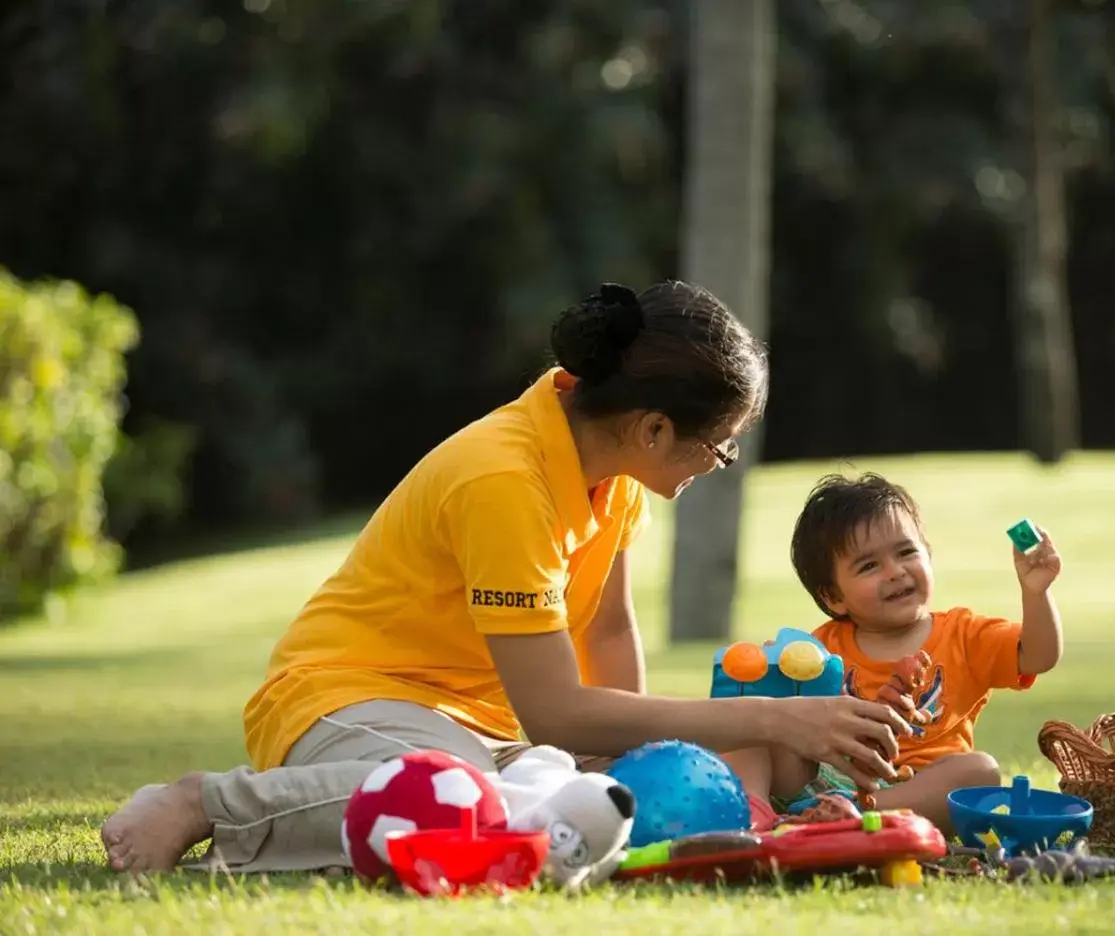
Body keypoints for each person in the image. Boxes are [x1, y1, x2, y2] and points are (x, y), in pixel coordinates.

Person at [100, 281, 913, 874]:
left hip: (483, 729)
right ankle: (207, 803)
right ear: (654, 428)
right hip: (348, 694)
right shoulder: (503, 480)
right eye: (720, 444)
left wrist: (628, 767)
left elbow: (606, 630)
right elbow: (555, 707)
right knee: (460, 801)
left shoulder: (614, 476)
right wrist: (775, 719)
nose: (720, 463)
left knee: (541, 810)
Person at [727, 471, 1064, 834]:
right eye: (869, 566)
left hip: (921, 792)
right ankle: (753, 816)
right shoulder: (818, 649)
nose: (895, 572)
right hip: (825, 783)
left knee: (980, 771)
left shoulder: (963, 634)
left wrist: (1036, 592)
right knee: (753, 716)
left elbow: (1038, 656)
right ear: (833, 597)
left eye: (906, 552)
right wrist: (770, 677)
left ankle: (850, 817)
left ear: (928, 556)